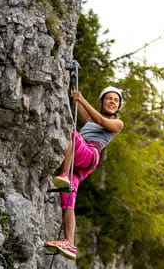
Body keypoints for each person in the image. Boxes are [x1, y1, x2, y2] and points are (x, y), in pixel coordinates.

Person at [44, 85, 123, 259]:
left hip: (89, 154)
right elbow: (80, 106)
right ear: (101, 101)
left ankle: (63, 174)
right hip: (78, 160)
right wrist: (74, 92)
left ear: (118, 106)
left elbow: (101, 121)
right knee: (67, 200)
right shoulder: (90, 120)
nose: (112, 102)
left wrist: (82, 100)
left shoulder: (117, 123)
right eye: (109, 98)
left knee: (72, 134)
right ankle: (69, 243)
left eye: (116, 100)